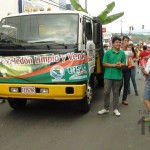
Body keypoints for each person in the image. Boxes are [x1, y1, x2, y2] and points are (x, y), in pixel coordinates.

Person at [97, 36, 126, 116]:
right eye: (117, 42)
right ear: (113, 44)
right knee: (106, 92)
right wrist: (114, 65)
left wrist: (121, 64)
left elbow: (124, 63)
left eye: (120, 42)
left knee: (116, 93)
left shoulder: (122, 53)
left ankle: (115, 109)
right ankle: (106, 108)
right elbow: (104, 63)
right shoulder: (108, 52)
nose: (118, 44)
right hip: (108, 76)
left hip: (118, 76)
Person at [119, 36, 132, 105]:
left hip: (128, 68)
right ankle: (117, 97)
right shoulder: (119, 49)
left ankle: (124, 99)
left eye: (127, 40)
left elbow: (133, 57)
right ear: (122, 41)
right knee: (119, 84)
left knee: (126, 84)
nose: (126, 42)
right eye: (125, 40)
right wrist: (124, 48)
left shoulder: (130, 50)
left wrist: (129, 49)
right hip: (121, 68)